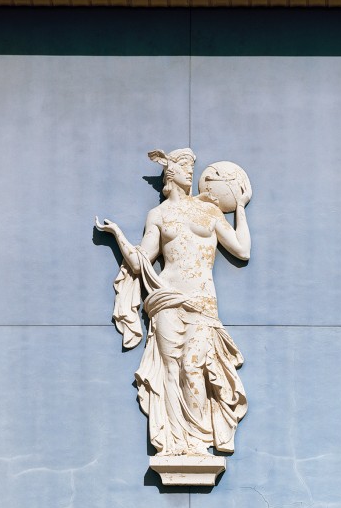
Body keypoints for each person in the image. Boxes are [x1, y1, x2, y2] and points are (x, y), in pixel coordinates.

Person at [95, 148, 251, 457]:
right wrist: (118, 236)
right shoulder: (158, 215)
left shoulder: (208, 211)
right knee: (170, 370)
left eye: (191, 165)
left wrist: (240, 208)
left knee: (193, 366)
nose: (190, 171)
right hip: (167, 297)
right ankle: (174, 442)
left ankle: (196, 442)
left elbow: (242, 250)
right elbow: (140, 262)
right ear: (170, 172)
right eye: (183, 165)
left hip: (201, 299)